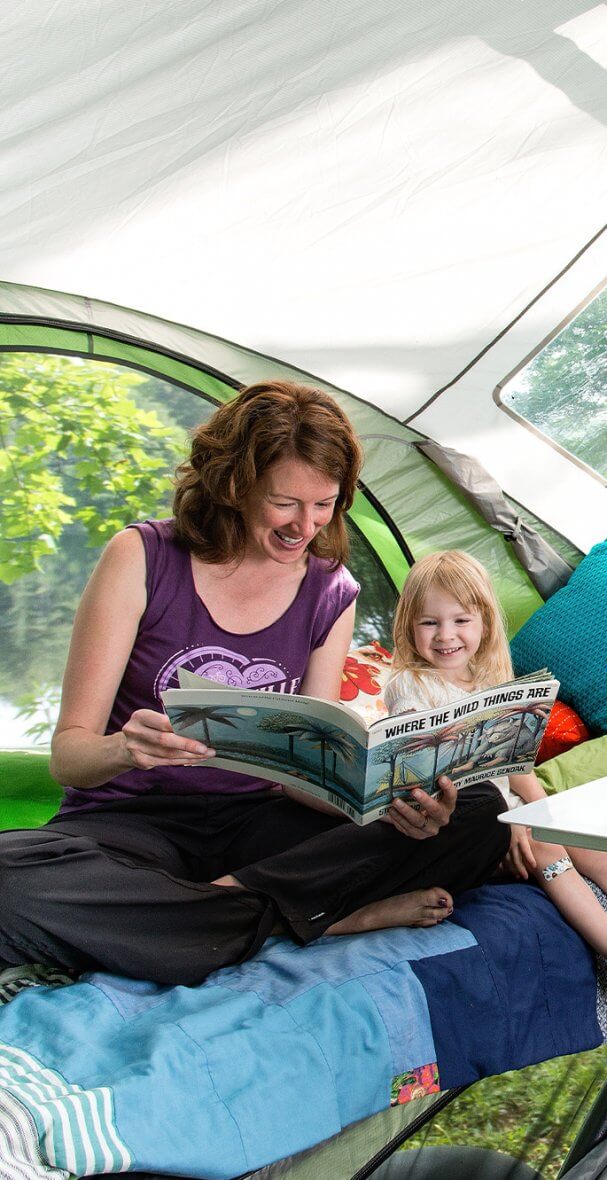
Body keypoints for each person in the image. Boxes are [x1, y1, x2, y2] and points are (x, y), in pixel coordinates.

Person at [0, 384, 509, 987]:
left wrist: (392, 799)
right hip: (131, 822)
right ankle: (301, 916)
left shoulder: (330, 588)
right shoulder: (141, 556)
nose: (306, 525)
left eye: (325, 505)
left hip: (263, 828)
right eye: (285, 502)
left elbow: (307, 777)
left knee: (478, 815)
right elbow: (69, 756)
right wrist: (122, 749)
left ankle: (209, 915)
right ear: (233, 483)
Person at [384, 549, 607, 954]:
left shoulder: (492, 680)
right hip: (462, 818)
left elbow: (517, 766)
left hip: (508, 808)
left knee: (570, 834)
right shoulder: (411, 685)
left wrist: (541, 814)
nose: (446, 635)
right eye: (430, 622)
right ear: (409, 626)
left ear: (485, 622)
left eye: (461, 620)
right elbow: (434, 775)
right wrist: (516, 827)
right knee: (545, 850)